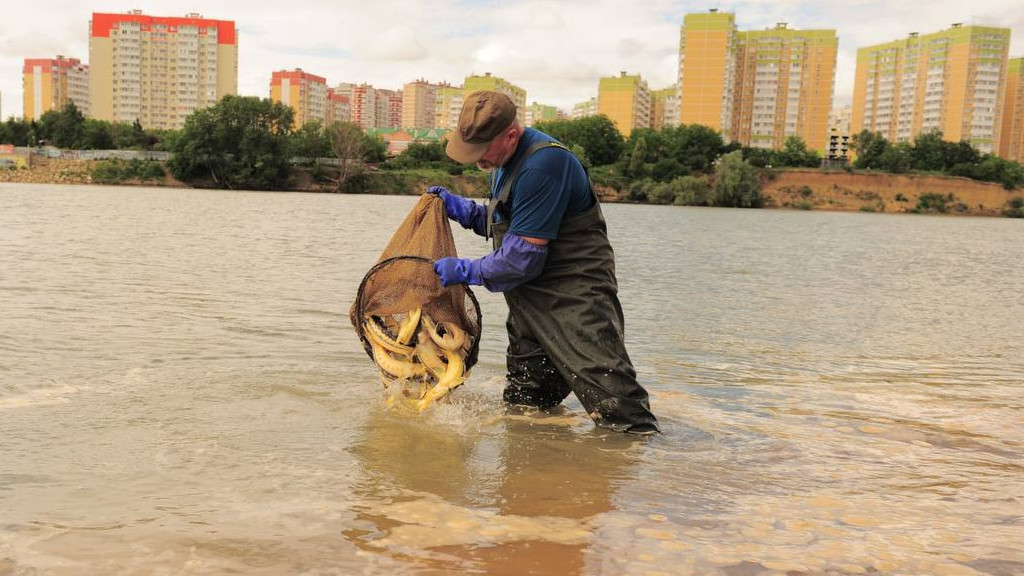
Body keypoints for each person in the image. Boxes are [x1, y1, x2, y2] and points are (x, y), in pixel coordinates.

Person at [428, 90, 659, 435]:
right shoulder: (501, 162)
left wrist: (467, 270)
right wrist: (464, 211)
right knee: (527, 406)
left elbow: (522, 259)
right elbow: (509, 224)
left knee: (619, 410)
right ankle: (536, 479)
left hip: (574, 298)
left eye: (481, 152)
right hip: (529, 303)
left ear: (511, 135)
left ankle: (651, 476)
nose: (476, 160)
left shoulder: (544, 164)